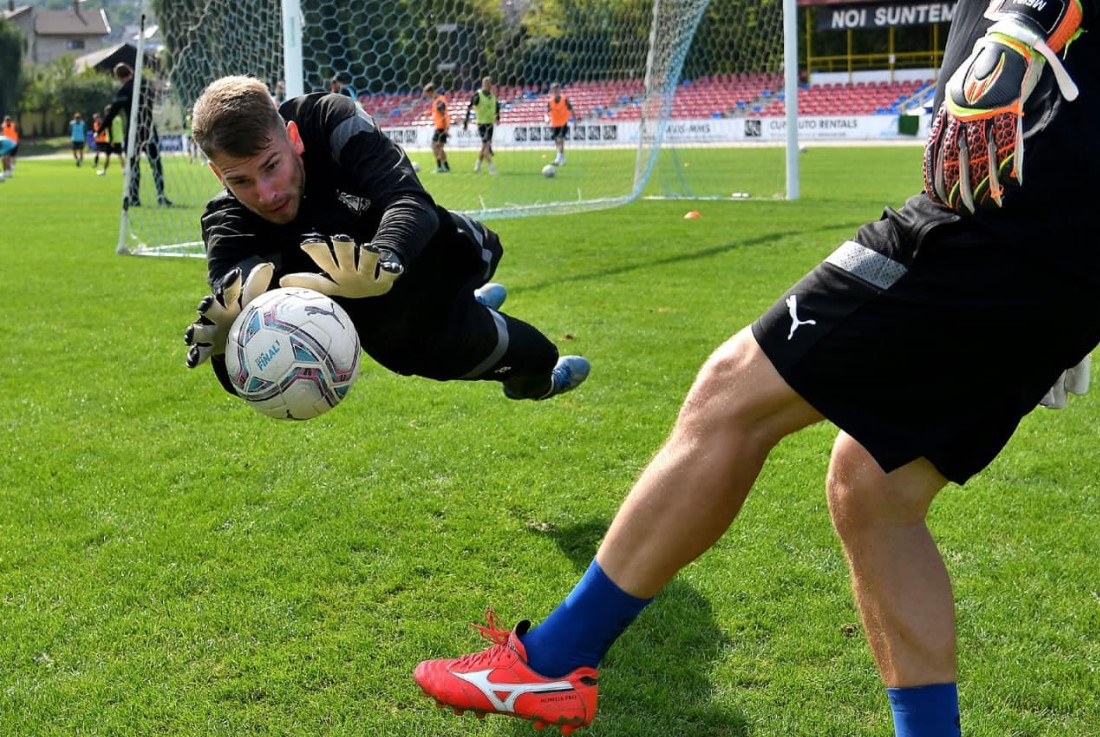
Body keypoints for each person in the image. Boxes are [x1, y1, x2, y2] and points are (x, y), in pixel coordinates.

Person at [414, 2, 1097, 736]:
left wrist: (1021, 25)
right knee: (873, 484)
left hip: (1014, 198)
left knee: (731, 392)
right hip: (1056, 223)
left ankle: (551, 663)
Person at [183, 75, 590, 407]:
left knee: (483, 251)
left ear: (293, 138)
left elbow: (408, 199)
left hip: (436, 257)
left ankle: (469, 296)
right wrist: (226, 352)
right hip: (408, 331)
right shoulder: (227, 224)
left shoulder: (327, 119)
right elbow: (244, 358)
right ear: (219, 177)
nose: (266, 193)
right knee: (539, 355)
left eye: (272, 166)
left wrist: (386, 258)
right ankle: (538, 385)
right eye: (240, 181)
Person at [102, 63, 172, 206]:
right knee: (156, 164)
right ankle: (161, 195)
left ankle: (134, 198)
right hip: (149, 130)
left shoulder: (124, 90)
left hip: (134, 133)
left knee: (134, 166)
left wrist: (101, 127)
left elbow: (113, 111)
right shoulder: (145, 85)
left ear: (118, 77)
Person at [463, 76, 499, 174]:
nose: (488, 86)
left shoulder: (493, 96)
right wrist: (466, 121)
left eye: (490, 84)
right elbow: (469, 107)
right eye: (486, 84)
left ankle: (478, 164)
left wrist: (498, 118)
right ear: (483, 84)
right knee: (486, 145)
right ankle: (491, 168)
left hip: (490, 124)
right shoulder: (478, 95)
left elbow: (497, 107)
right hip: (481, 124)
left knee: (485, 145)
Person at [546, 82, 577, 167]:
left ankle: (557, 158)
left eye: (557, 89)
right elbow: (546, 112)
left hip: (563, 122)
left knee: (560, 139)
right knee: (557, 141)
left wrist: (575, 121)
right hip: (554, 124)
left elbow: (571, 110)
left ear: (559, 90)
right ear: (552, 91)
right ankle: (562, 158)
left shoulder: (564, 99)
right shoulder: (550, 101)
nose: (555, 91)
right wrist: (547, 119)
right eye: (554, 89)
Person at [423, 83, 451, 173]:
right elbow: (438, 112)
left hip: (441, 128)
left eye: (427, 94)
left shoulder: (439, 101)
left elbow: (443, 115)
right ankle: (445, 167)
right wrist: (429, 112)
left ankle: (441, 167)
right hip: (439, 127)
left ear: (431, 92)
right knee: (437, 147)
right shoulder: (436, 100)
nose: (427, 96)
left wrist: (446, 129)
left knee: (436, 146)